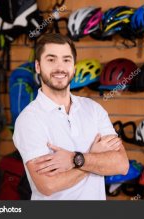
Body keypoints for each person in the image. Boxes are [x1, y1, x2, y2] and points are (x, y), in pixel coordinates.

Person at [13, 33, 129, 200]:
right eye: (51, 60)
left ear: (74, 66)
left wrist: (75, 159)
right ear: (38, 66)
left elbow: (121, 164)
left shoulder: (94, 109)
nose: (60, 68)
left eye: (66, 60)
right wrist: (91, 156)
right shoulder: (29, 120)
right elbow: (48, 185)